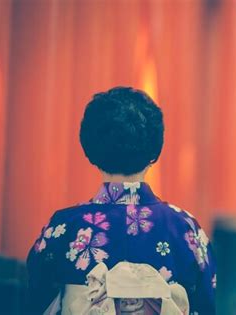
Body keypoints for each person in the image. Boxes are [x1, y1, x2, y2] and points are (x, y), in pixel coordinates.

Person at [26, 87, 216, 314]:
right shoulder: (185, 228)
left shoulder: (64, 226)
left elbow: (36, 295)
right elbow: (205, 304)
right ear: (154, 150)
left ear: (91, 148)